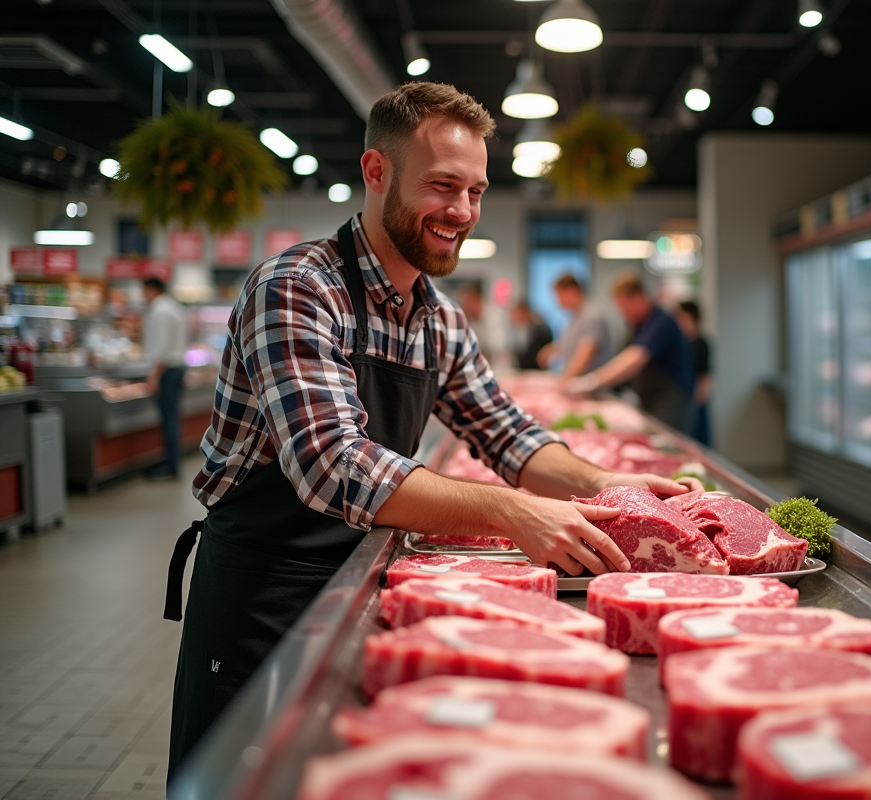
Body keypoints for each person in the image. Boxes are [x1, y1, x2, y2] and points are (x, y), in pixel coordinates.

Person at [164, 82, 700, 786]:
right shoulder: (298, 286)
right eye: (444, 186)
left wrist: (605, 485)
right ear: (376, 172)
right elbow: (333, 464)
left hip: (353, 586)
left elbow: (506, 434)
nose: (464, 212)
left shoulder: (437, 317)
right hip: (261, 590)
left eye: (476, 191)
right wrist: (512, 512)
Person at [566, 272, 695, 432]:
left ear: (638, 297)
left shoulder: (661, 322)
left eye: (623, 307)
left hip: (671, 400)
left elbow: (635, 357)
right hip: (650, 398)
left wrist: (591, 381)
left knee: (667, 447)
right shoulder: (638, 325)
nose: (623, 313)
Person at [141, 276, 188, 479]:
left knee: (168, 419)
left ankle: (171, 466)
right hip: (177, 368)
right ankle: (172, 461)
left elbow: (161, 346)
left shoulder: (160, 311)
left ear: (151, 290)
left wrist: (153, 375)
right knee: (173, 418)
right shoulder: (175, 307)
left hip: (167, 371)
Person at [538, 272, 612, 376]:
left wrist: (564, 380)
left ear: (571, 291)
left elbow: (585, 354)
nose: (558, 302)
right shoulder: (575, 318)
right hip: (579, 384)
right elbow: (570, 344)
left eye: (559, 296)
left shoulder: (592, 316)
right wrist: (551, 349)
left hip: (593, 386)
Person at [676, 301, 712, 446]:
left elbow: (705, 376)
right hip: (685, 398)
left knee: (698, 442)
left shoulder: (700, 343)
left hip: (695, 400)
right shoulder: (682, 343)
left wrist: (697, 400)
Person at [509, 298, 554, 370]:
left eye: (516, 314)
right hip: (523, 371)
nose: (514, 318)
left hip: (538, 370)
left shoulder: (542, 330)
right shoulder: (517, 330)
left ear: (525, 313)